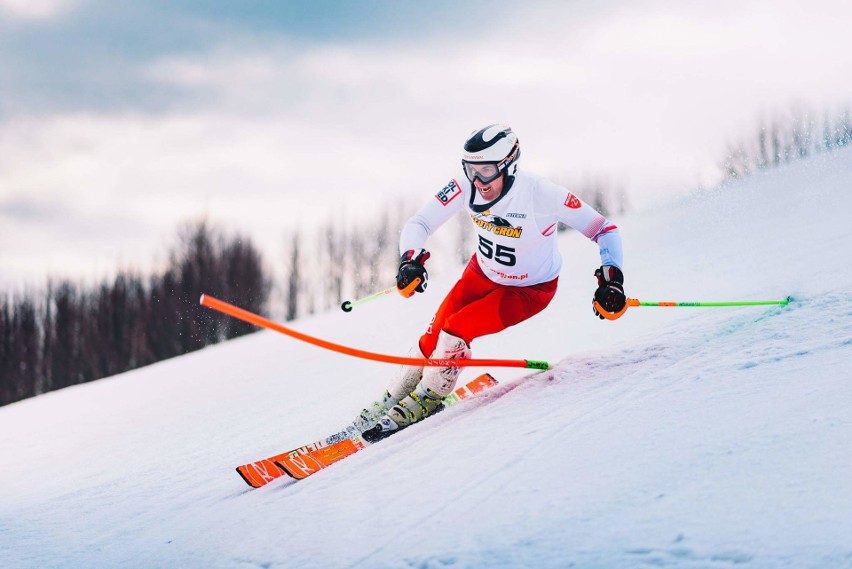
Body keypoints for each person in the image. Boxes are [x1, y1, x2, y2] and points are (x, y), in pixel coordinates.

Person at [355, 124, 625, 442]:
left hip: (529, 290)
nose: (478, 181)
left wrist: (612, 279)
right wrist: (410, 260)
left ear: (509, 165)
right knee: (432, 337)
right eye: (471, 170)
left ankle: (428, 398)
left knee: (457, 328)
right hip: (481, 274)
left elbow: (603, 229)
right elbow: (420, 222)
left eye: (486, 171)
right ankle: (394, 396)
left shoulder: (542, 194)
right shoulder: (467, 186)